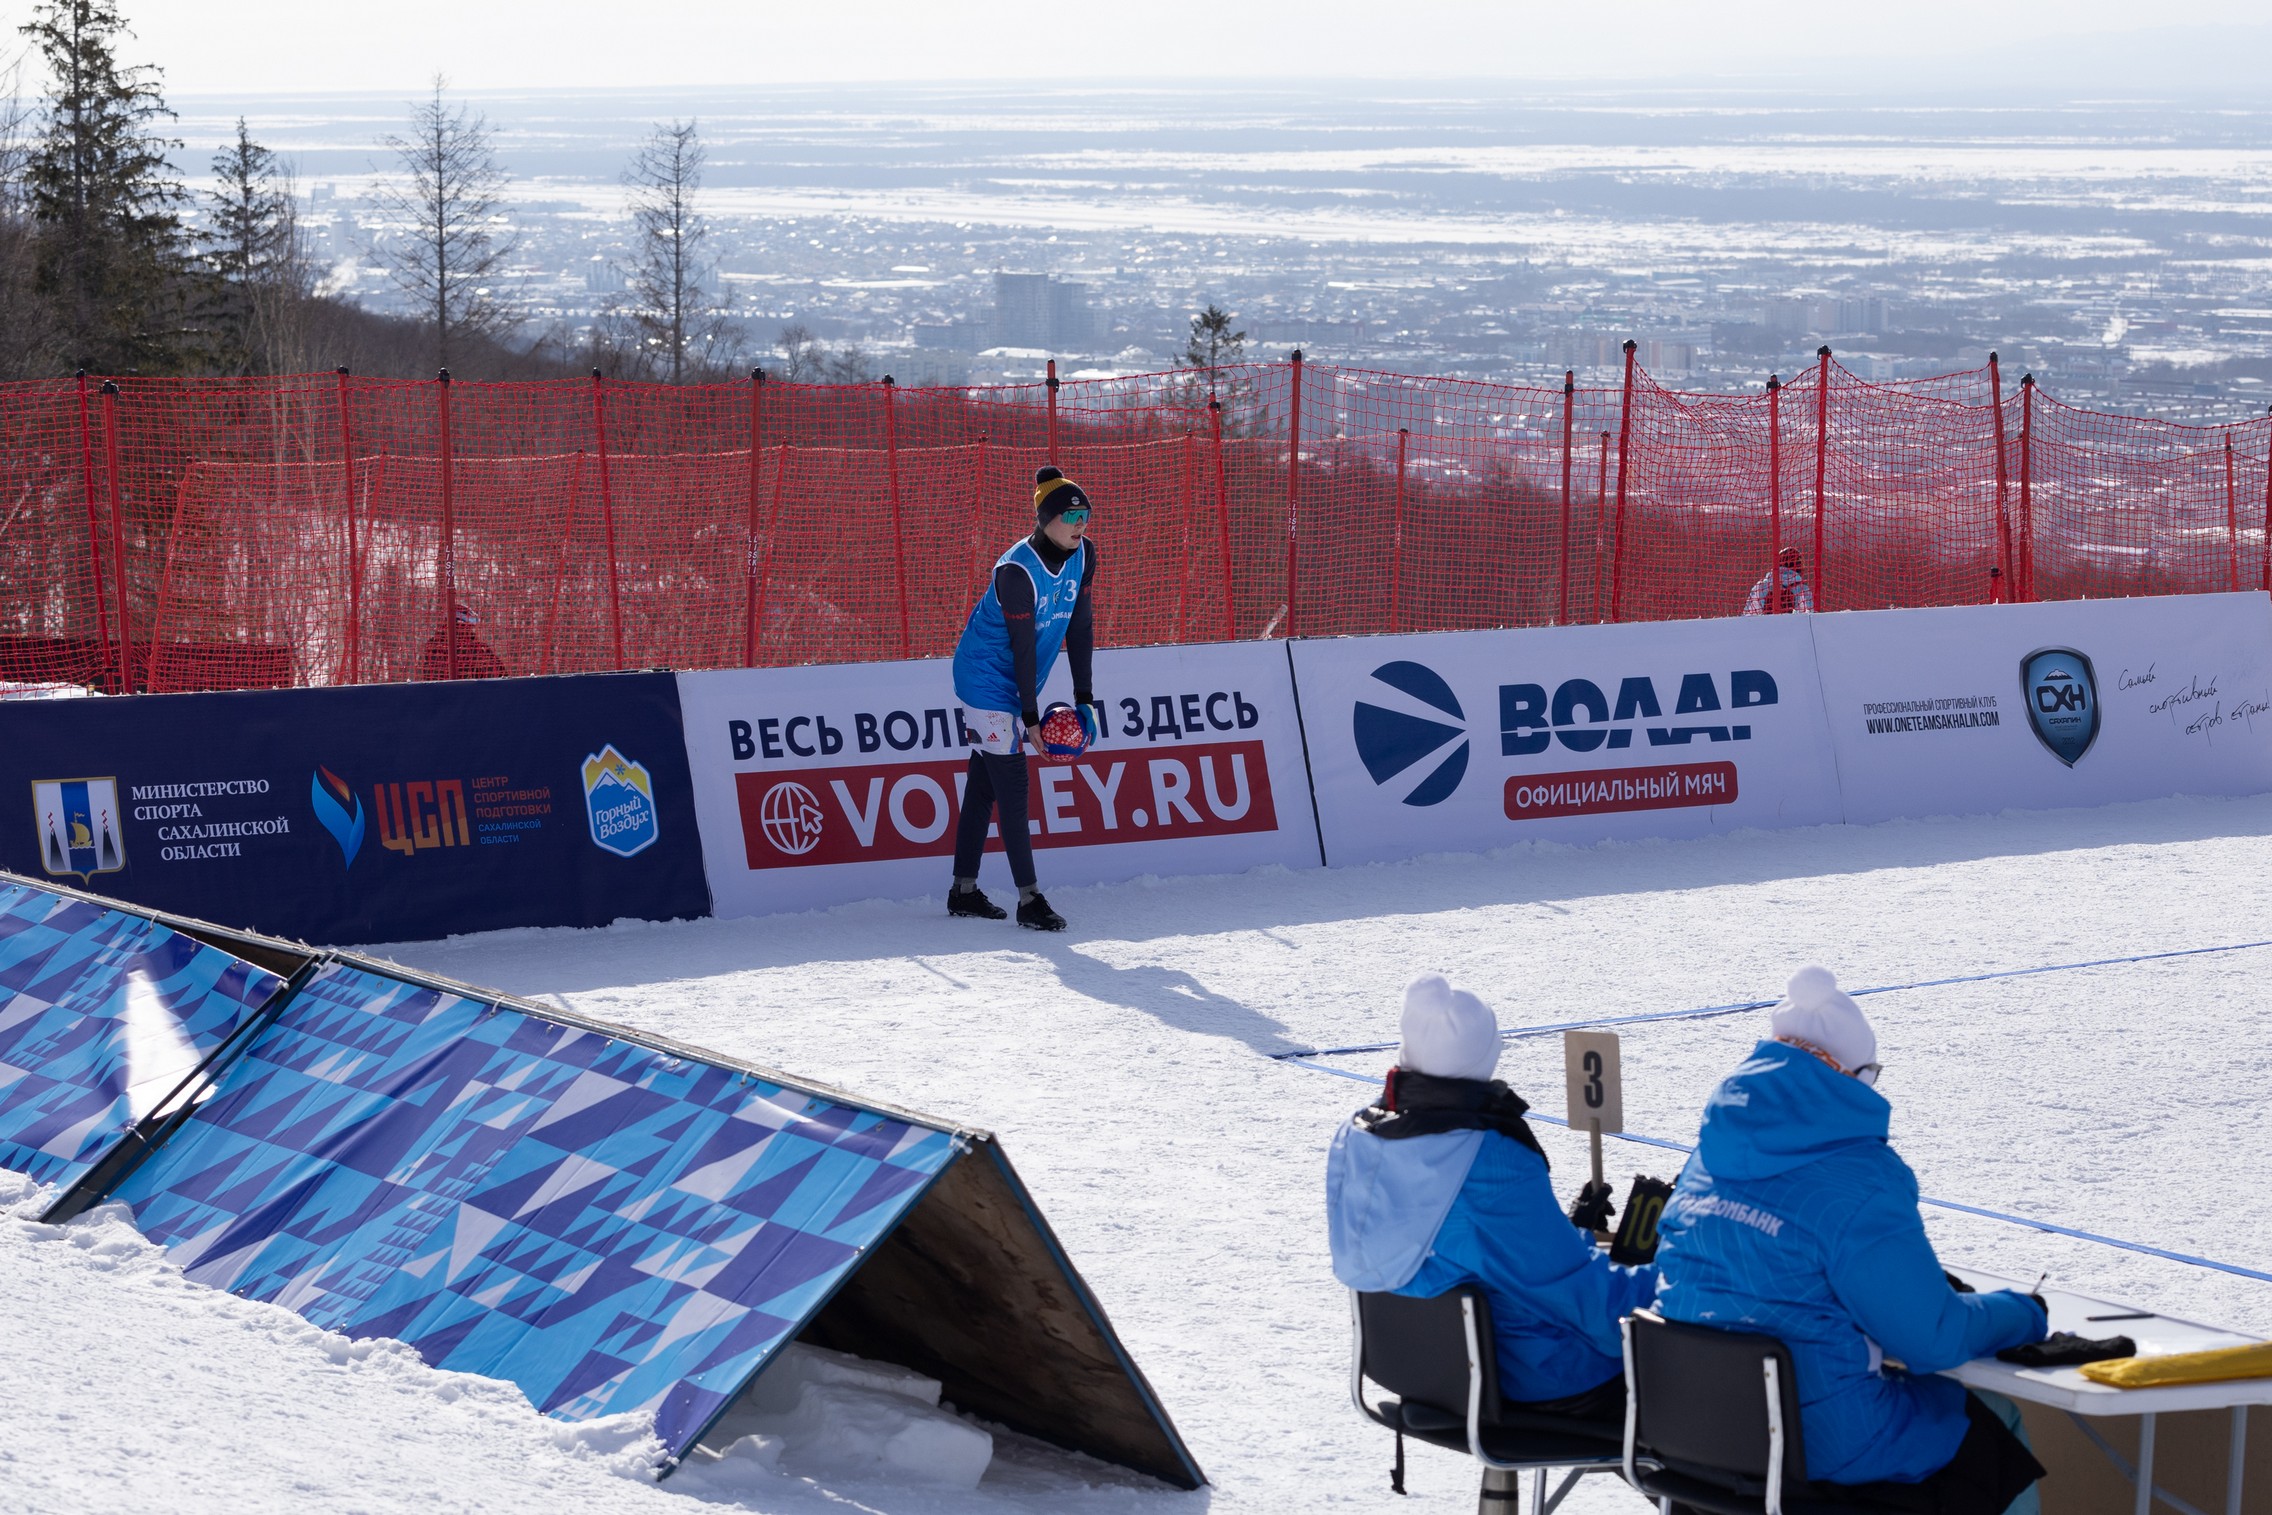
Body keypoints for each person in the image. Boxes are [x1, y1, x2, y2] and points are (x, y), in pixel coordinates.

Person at [1651, 966, 2049, 1512]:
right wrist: (2025, 1313)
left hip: (1693, 1429)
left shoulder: (1707, 1159)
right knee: (1992, 1424)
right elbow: (1932, 1340)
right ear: (1851, 1077)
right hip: (1821, 1443)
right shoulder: (1860, 1178)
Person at [1327, 974, 1658, 1418]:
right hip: (1532, 1379)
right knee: (1699, 1385)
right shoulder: (1488, 1159)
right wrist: (1675, 1275)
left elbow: (1465, 1252)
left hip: (1419, 1372)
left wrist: (1567, 1234)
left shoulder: (1362, 1135)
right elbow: (1587, 1304)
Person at [946, 466, 1104, 931]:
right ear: (1045, 519)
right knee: (1013, 785)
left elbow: (1080, 627)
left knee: (984, 784)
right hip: (984, 679)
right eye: (1071, 515)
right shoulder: (1017, 570)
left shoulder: (1084, 554)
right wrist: (1031, 720)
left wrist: (1085, 699)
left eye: (1086, 515)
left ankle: (964, 890)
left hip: (1018, 679)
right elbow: (1021, 647)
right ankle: (1029, 900)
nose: (1080, 525)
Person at [413, 603, 507, 682]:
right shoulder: (475, 649)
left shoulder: (432, 646)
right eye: (468, 627)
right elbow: (499, 675)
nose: (471, 630)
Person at [1744, 546, 1815, 615]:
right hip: (1792, 625)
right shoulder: (1802, 589)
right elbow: (1808, 616)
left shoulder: (1761, 586)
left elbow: (1749, 615)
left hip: (1765, 625)